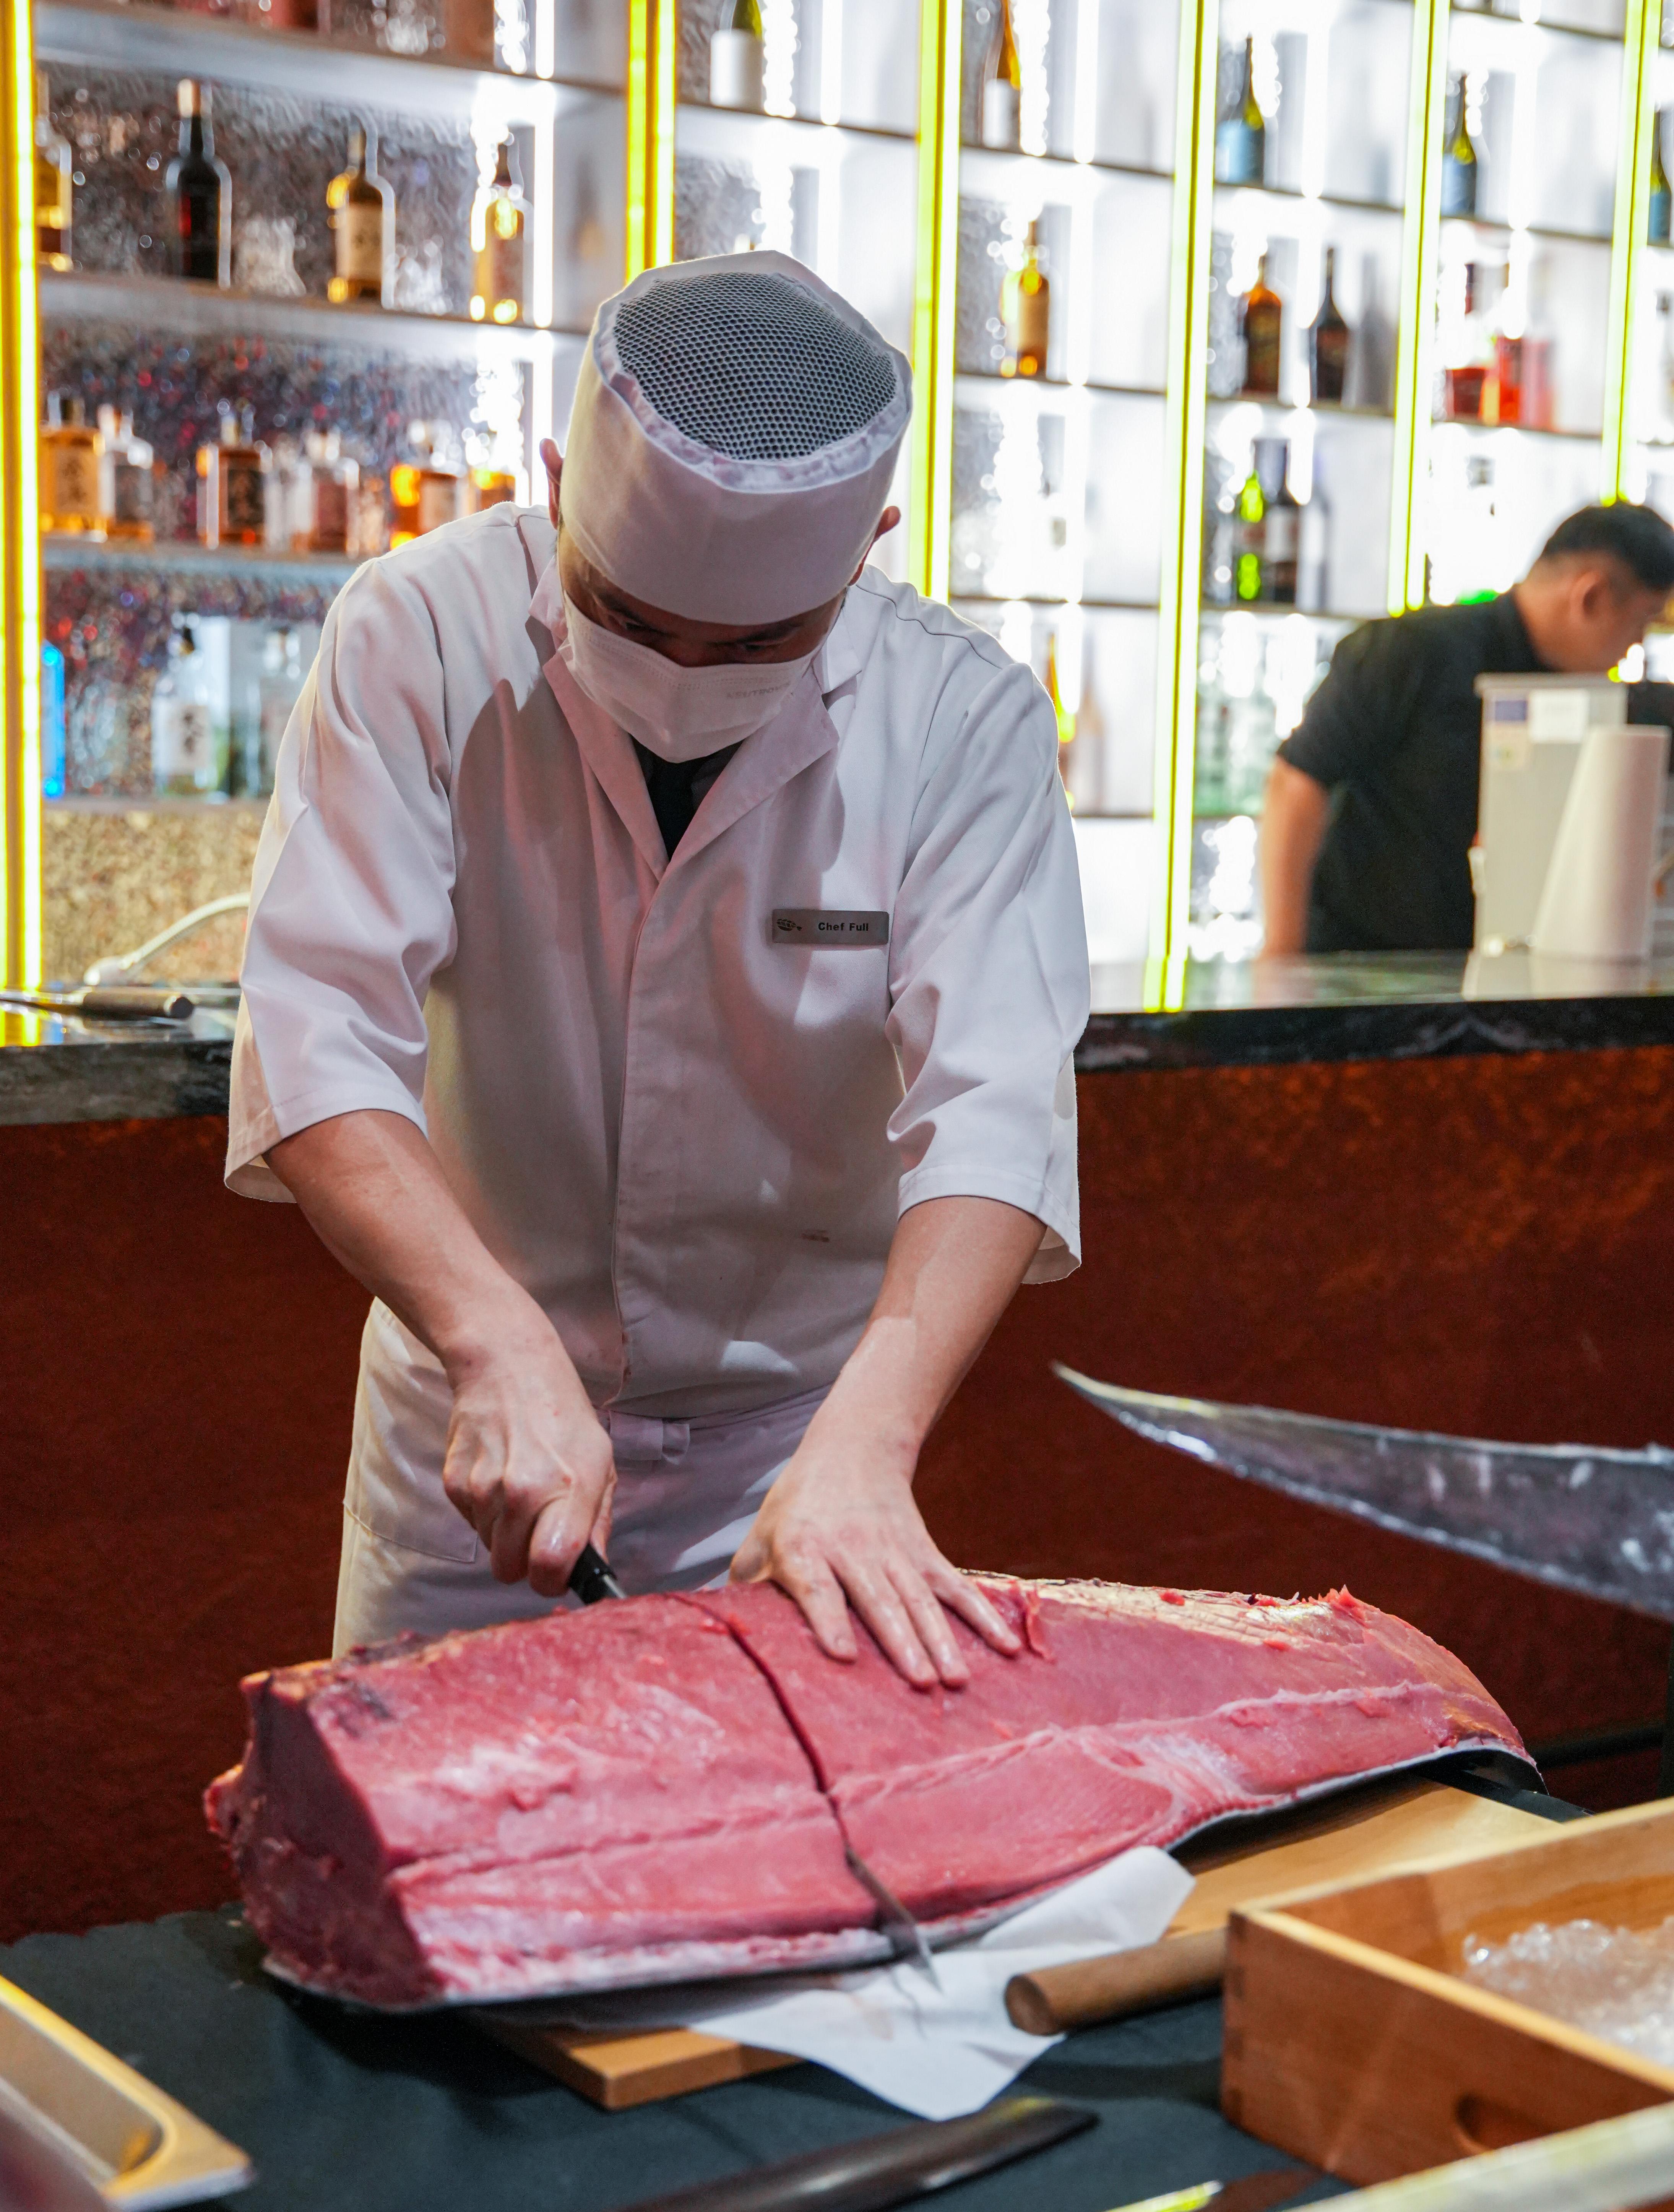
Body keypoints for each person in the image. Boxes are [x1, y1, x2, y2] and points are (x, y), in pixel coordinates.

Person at [224, 251, 1089, 1689]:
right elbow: (317, 1034)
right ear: (556, 480)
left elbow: (997, 1110)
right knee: (441, 1873)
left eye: (754, 646)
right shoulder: (414, 635)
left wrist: (870, 1448)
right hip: (478, 1444)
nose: (684, 680)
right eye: (627, 617)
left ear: (870, 547)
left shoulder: (960, 719)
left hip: (795, 1456)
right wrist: (491, 1337)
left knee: (781, 1889)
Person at [1261, 503, 1674, 954]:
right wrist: (1281, 957)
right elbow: (1296, 782)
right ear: (1589, 597)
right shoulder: (1411, 652)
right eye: (1642, 621)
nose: (1636, 645)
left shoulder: (1595, 697)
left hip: (1502, 972)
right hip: (1367, 967)